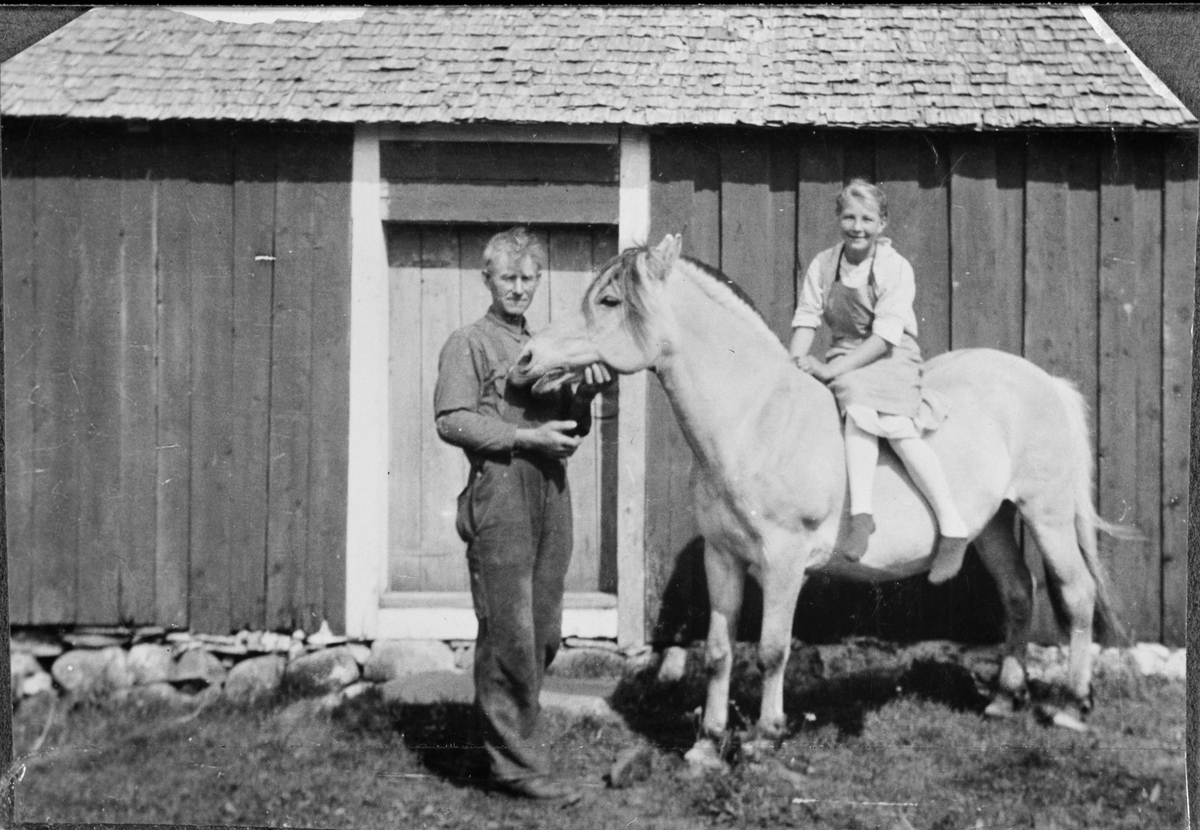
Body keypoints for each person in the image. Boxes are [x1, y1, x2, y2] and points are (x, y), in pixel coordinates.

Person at [433, 227, 611, 804]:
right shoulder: (469, 343)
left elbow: (572, 426)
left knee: (544, 628)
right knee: (509, 630)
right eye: (507, 277)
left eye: (527, 278)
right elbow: (452, 419)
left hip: (551, 491)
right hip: (501, 490)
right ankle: (517, 767)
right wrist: (523, 435)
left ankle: (516, 749)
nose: (517, 288)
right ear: (488, 280)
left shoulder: (545, 344)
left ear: (538, 282)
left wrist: (584, 397)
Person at [788, 180, 969, 585]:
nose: (857, 227)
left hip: (890, 355)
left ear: (882, 222)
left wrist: (833, 372)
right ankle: (863, 516)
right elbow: (806, 318)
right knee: (857, 409)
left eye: (867, 218)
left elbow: (885, 337)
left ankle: (952, 525)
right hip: (846, 353)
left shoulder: (894, 267)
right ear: (838, 219)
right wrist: (796, 362)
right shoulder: (823, 264)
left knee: (895, 427)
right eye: (849, 217)